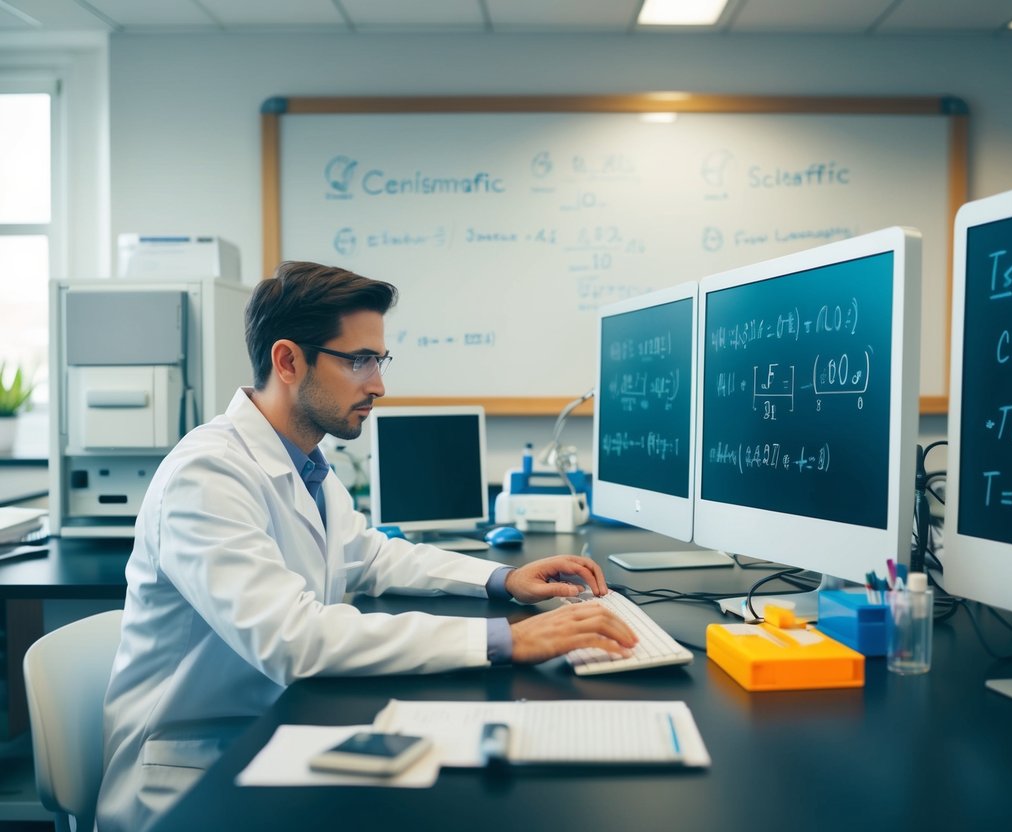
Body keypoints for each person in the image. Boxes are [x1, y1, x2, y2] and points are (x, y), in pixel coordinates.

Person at [96, 261, 637, 832]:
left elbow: (374, 554)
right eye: (359, 360)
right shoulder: (207, 474)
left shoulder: (304, 464)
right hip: (194, 775)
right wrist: (505, 638)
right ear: (287, 361)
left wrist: (500, 579)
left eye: (379, 360)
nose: (378, 384)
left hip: (274, 730)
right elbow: (294, 640)